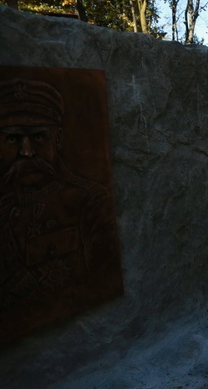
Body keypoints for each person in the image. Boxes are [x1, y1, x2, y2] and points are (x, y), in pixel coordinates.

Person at [0, 78, 123, 346]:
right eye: (12, 139)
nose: (27, 152)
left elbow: (101, 280)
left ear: (58, 139)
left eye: (38, 137)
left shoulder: (88, 201)